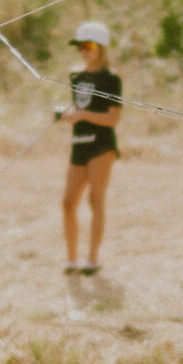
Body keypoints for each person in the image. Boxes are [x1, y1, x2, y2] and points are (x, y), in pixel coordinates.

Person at [57, 21, 123, 276]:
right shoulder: (76, 76)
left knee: (95, 199)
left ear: (101, 48)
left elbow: (112, 119)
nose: (84, 51)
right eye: (80, 46)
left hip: (101, 145)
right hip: (79, 144)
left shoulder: (111, 79)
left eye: (89, 46)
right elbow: (80, 108)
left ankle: (92, 259)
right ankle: (71, 259)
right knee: (67, 202)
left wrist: (82, 115)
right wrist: (68, 115)